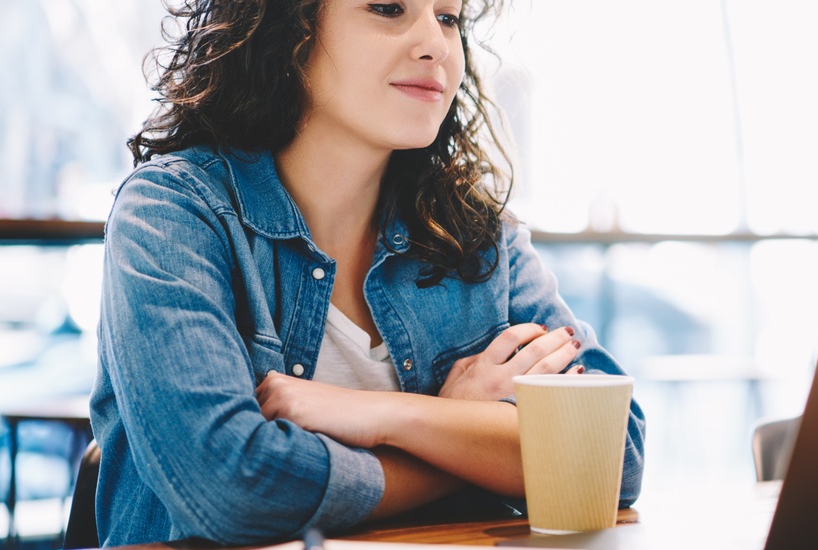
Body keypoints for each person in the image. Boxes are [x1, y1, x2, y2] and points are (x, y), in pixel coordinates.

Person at [89, 0, 645, 545]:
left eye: (447, 18)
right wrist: (462, 437)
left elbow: (613, 454)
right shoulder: (171, 212)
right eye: (387, 9)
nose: (435, 46)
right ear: (288, 29)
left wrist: (391, 415)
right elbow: (233, 487)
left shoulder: (476, 235)